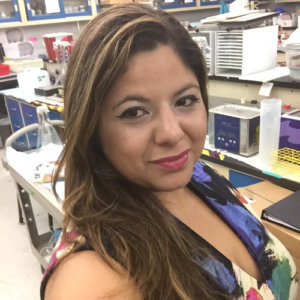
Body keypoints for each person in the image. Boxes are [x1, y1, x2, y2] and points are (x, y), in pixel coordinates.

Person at [41, 3, 298, 300]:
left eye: (185, 100)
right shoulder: (91, 278)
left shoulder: (202, 177)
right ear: (91, 128)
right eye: (134, 111)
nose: (172, 133)